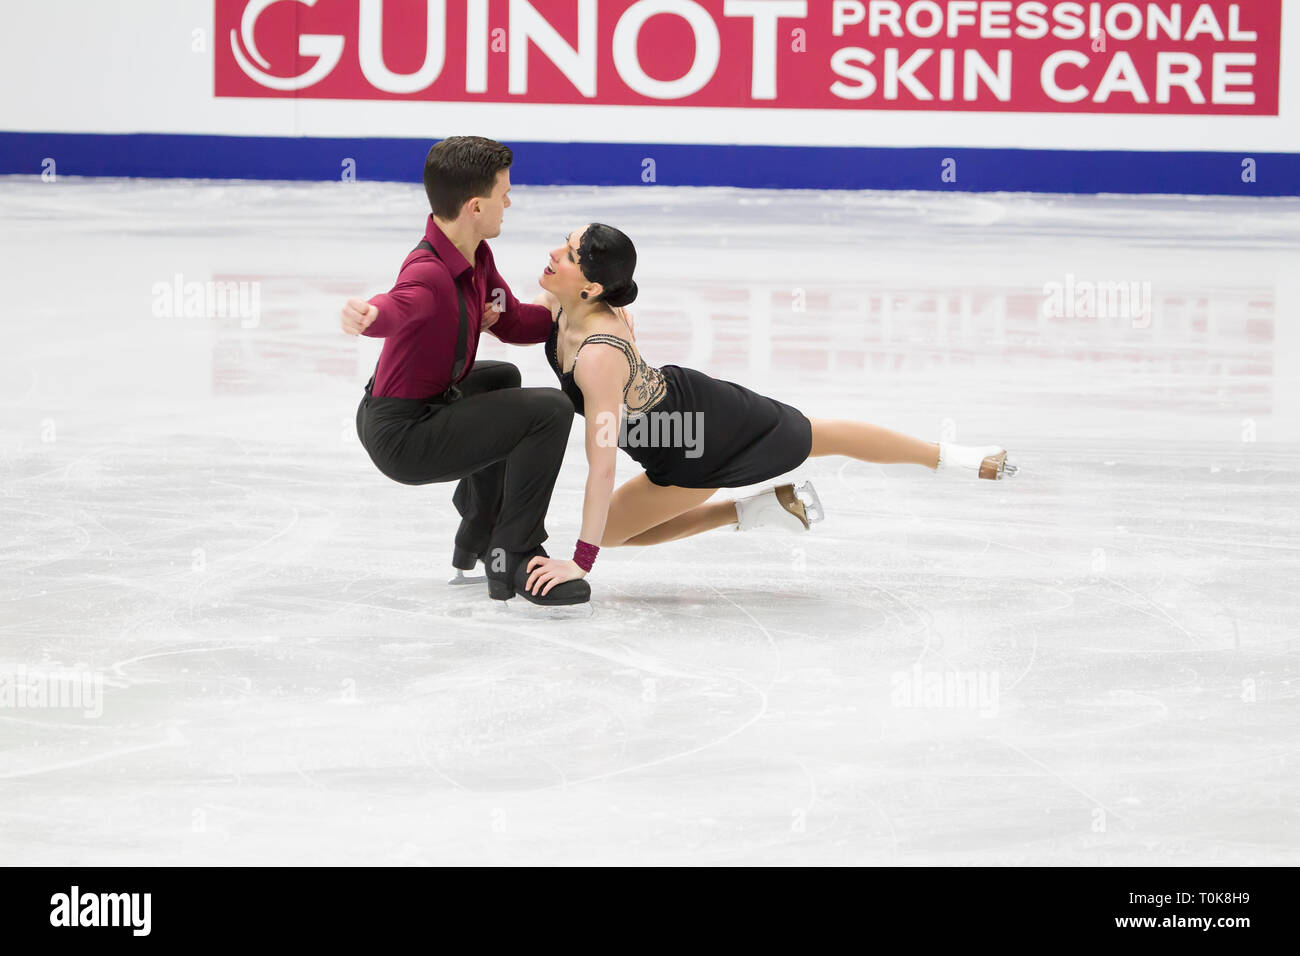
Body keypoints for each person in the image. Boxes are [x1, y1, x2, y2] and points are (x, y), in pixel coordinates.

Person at [515, 224, 1018, 598]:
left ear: (592, 288)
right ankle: (761, 509)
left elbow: (601, 467)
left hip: (693, 440)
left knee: (820, 435)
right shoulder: (564, 302)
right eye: (565, 242)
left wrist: (581, 561)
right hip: (676, 412)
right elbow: (513, 318)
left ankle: (953, 457)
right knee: (617, 535)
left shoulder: (599, 357)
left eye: (571, 253)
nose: (555, 252)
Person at [343, 136, 590, 607]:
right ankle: (513, 551)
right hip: (403, 437)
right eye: (504, 193)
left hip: (422, 404)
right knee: (550, 410)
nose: (509, 201)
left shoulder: (474, 255)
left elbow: (515, 321)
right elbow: (399, 304)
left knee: (501, 378)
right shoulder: (429, 273)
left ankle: (478, 529)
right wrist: (369, 316)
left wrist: (579, 303)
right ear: (476, 206)